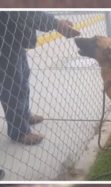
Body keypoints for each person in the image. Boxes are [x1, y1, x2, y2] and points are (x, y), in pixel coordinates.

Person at [0, 12, 79, 145]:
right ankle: (19, 131)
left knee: (22, 79)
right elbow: (22, 12)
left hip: (12, 38)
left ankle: (24, 116)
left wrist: (55, 22)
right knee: (13, 86)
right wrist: (55, 23)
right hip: (4, 42)